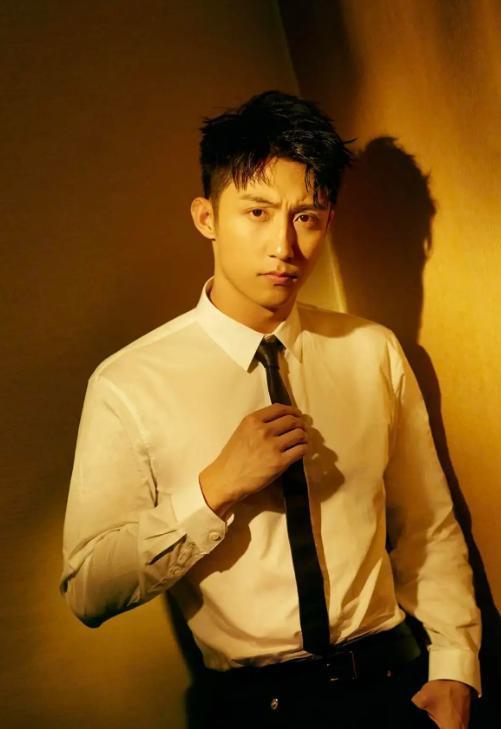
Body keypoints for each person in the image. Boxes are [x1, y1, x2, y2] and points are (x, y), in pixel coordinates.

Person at [60, 90, 481, 729]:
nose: (284, 245)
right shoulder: (128, 383)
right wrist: (213, 491)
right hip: (256, 706)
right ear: (207, 216)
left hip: (395, 684)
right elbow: (89, 588)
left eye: (306, 217)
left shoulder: (371, 350)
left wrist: (454, 667)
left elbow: (426, 523)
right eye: (257, 212)